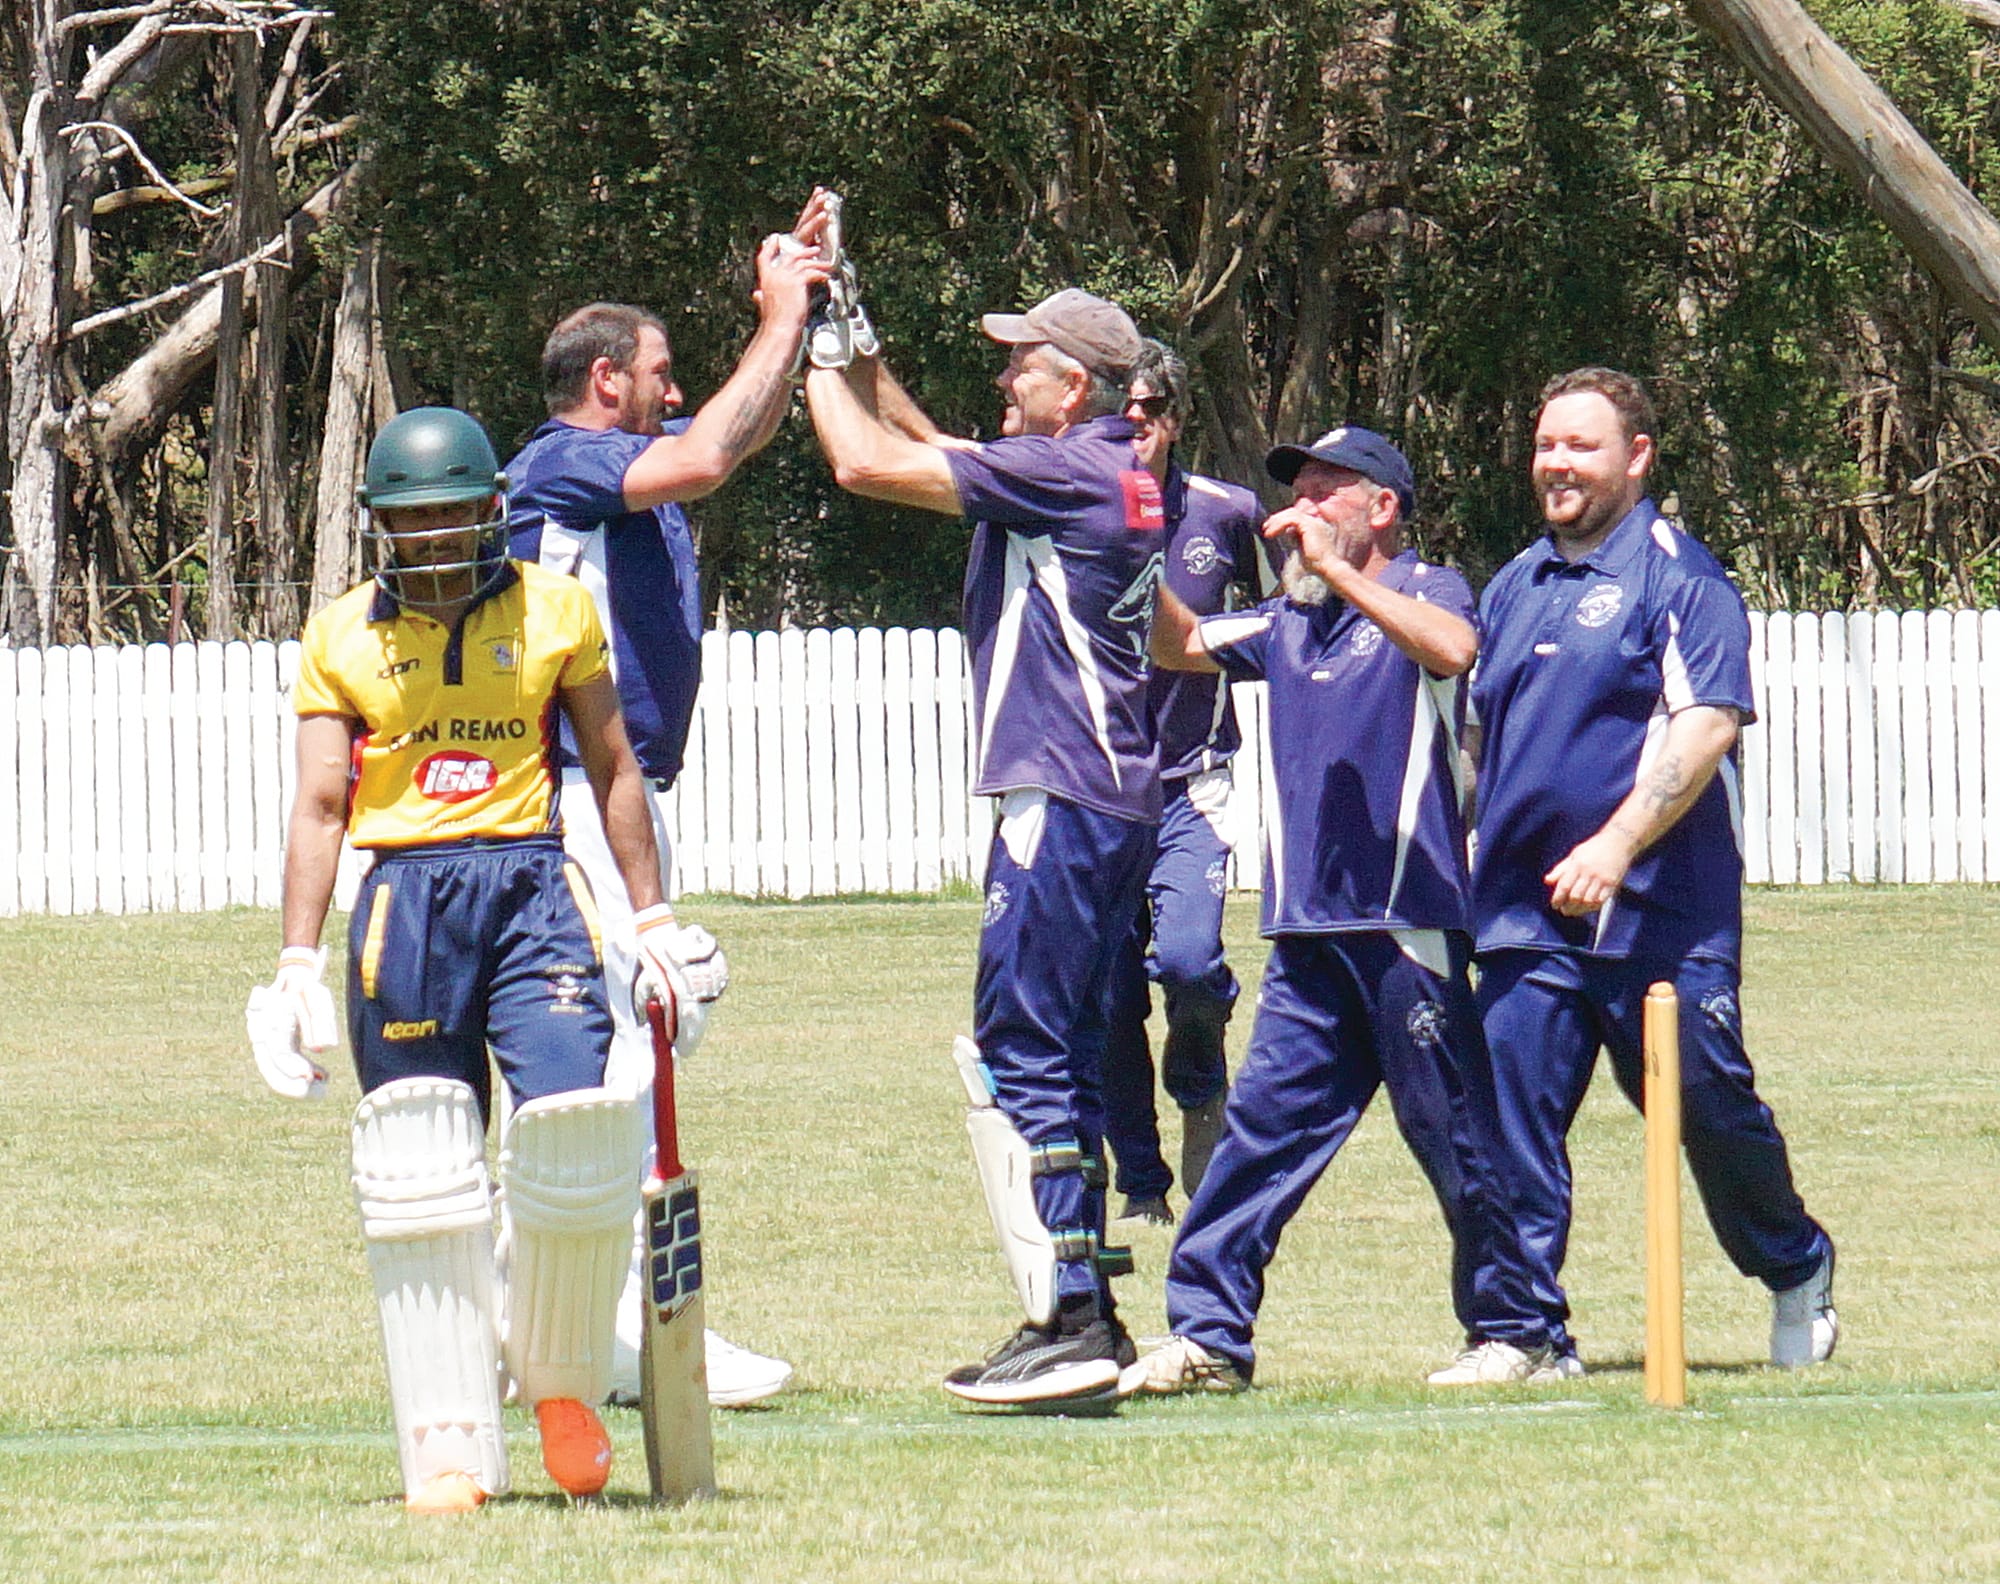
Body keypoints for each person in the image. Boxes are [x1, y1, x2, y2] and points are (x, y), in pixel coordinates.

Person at [245, 407, 716, 1510]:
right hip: (401, 904)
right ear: (378, 527)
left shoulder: (555, 609)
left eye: (454, 511)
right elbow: (320, 807)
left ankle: (562, 1397)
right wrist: (295, 965)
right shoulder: (340, 633)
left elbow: (612, 768)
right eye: (412, 519)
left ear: (492, 511)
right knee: (424, 1170)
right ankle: (449, 1441)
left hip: (533, 889)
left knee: (569, 1143)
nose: (434, 535)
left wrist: (650, 922)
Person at [803, 284, 1163, 1407]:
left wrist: (807, 345)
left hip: (1057, 794)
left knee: (1023, 1051)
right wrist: (857, 324)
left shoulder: (1062, 472)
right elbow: (931, 439)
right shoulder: (1104, 467)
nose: (1004, 379)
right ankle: (1081, 1306)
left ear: (1075, 387)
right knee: (1059, 1051)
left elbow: (864, 465)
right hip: (1106, 800)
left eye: (1023, 365)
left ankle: (1070, 1319)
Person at [504, 195, 834, 1409]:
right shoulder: (561, 461)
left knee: (638, 1041)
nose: (673, 386)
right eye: (656, 371)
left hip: (616, 795)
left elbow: (730, 428)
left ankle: (555, 1319)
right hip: (572, 797)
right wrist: (777, 311)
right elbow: (706, 451)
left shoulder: (611, 453)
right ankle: (620, 1332)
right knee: (624, 1045)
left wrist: (788, 296)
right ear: (606, 381)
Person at [1121, 426, 1530, 1394]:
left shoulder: (1427, 590)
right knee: (1257, 1137)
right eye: (1293, 494)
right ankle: (1208, 1337)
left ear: (1379, 510)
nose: (1297, 511)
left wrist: (1333, 578)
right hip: (1304, 936)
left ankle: (1516, 1329)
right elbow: (1176, 641)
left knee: (1452, 1136)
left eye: (1322, 494)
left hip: (1403, 926)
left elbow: (1453, 649)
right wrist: (1111, 544)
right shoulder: (1284, 620)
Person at [1457, 365, 1836, 1383]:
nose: (1555, 464)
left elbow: (1704, 723)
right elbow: (1477, 741)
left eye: (1578, 445)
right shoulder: (1510, 584)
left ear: (1636, 457)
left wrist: (1613, 849)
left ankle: (1795, 1264)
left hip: (1660, 920)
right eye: (1544, 446)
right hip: (1524, 917)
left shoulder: (1681, 577)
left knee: (1706, 1111)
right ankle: (1523, 1332)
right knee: (1510, 1119)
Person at [1101, 342, 1267, 1226]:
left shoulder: (1224, 512)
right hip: (1093, 786)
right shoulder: (1075, 504)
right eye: (1122, 408)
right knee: (1111, 993)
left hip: (1191, 784)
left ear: (1174, 416)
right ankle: (1140, 1183)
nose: (1137, 425)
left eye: (1151, 409)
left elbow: (1291, 612)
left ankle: (1201, 1088)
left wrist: (1220, 640)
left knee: (1189, 964)